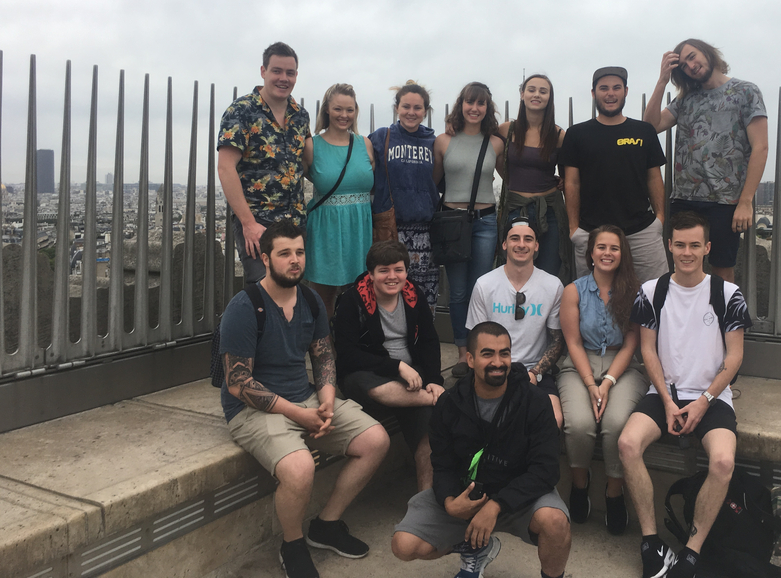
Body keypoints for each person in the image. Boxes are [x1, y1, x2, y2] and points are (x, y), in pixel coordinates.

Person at [219, 221, 390, 578]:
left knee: (376, 440)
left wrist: (326, 399)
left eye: (299, 252)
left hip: (305, 397)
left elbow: (324, 356)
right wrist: (299, 414)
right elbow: (237, 382)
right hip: (254, 409)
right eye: (284, 254)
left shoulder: (311, 299)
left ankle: (326, 525)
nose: (294, 261)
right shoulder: (245, 306)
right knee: (300, 469)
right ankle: (292, 544)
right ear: (265, 259)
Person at [618, 211, 751, 578]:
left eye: (695, 245)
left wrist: (704, 400)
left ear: (707, 247)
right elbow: (648, 351)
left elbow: (735, 356)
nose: (687, 252)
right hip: (667, 394)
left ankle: (691, 551)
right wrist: (666, 400)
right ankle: (651, 541)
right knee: (628, 444)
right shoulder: (652, 291)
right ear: (669, 245)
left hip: (711, 398)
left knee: (723, 462)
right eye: (680, 244)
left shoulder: (728, 294)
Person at [391, 321, 572, 578]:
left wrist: (497, 504)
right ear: (471, 359)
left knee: (555, 523)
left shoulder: (535, 401)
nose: (498, 362)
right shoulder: (449, 403)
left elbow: (547, 469)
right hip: (465, 493)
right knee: (404, 545)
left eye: (504, 353)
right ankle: (475, 548)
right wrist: (449, 502)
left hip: (517, 497)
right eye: (488, 354)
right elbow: (441, 463)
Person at [643, 39, 769, 283]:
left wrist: (745, 202)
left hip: (724, 200)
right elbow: (650, 127)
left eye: (692, 56)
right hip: (684, 199)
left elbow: (760, 148)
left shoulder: (746, 92)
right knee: (684, 267)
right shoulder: (686, 98)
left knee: (722, 269)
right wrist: (662, 80)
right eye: (684, 65)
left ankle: (723, 320)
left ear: (707, 52)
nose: (690, 65)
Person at [556, 225, 649, 535]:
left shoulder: (634, 290)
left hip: (621, 365)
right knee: (580, 424)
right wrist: (591, 383)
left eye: (614, 248)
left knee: (616, 423)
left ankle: (613, 491)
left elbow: (632, 341)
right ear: (591, 253)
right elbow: (573, 341)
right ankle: (580, 485)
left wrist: (607, 382)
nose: (608, 253)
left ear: (622, 255)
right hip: (579, 363)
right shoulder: (574, 290)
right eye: (602, 248)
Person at [332, 240, 444, 491]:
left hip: (412, 379)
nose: (392, 277)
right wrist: (396, 367)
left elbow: (429, 340)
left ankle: (424, 507)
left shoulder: (414, 295)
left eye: (399, 269)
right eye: (384, 270)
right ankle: (437, 399)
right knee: (375, 387)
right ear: (371, 274)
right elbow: (348, 354)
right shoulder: (352, 301)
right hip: (368, 375)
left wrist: (435, 379)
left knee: (428, 440)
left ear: (406, 271)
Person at [561, 66, 669, 284]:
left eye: (616, 88)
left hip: (642, 232)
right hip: (592, 232)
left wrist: (660, 218)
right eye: (603, 88)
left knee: (655, 294)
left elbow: (654, 178)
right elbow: (571, 183)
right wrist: (575, 229)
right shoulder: (576, 134)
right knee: (593, 298)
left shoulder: (644, 131)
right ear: (593, 93)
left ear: (626, 91)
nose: (610, 93)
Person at [217, 42, 313, 284]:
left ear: (296, 76)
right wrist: (248, 224)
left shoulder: (300, 115)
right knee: (264, 291)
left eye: (289, 73)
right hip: (259, 222)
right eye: (277, 71)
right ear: (263, 71)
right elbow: (225, 167)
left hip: (295, 223)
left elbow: (307, 164)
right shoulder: (242, 111)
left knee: (293, 292)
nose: (283, 78)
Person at [432, 82, 505, 373]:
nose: (474, 108)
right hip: (452, 222)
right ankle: (463, 351)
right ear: (461, 104)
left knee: (481, 289)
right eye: (470, 102)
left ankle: (481, 347)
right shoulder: (444, 141)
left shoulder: (496, 143)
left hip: (485, 222)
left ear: (487, 108)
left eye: (481, 104)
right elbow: (434, 183)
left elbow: (511, 177)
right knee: (458, 292)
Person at [465, 217, 565, 426]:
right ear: (504, 244)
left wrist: (534, 373)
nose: (521, 244)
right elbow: (476, 341)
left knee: (553, 419)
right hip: (493, 368)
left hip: (533, 370)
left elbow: (556, 341)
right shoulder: (484, 285)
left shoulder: (553, 285)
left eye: (528, 239)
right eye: (514, 239)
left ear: (536, 245)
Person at [369, 81, 440, 312]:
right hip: (390, 230)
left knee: (422, 298)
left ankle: (421, 343)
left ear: (425, 111)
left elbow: (444, 179)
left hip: (425, 233)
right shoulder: (381, 138)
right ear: (397, 108)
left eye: (417, 108)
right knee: (388, 294)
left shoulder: (433, 142)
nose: (411, 112)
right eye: (406, 106)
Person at [305, 83, 375, 316]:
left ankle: (351, 348)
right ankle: (324, 351)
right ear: (326, 110)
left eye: (350, 110)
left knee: (359, 296)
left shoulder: (365, 144)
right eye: (338, 109)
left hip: (359, 231)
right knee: (322, 299)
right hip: (327, 230)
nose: (344, 115)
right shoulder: (312, 146)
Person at [497, 73, 573, 285]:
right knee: (513, 272)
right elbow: (490, 155)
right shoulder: (506, 130)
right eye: (531, 90)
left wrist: (560, 181)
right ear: (522, 94)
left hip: (549, 211)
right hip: (514, 209)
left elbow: (568, 176)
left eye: (543, 91)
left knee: (549, 273)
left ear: (550, 97)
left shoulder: (558, 135)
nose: (536, 95)